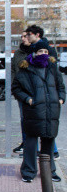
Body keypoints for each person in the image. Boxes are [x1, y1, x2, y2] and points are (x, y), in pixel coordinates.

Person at [12, 41, 65, 183]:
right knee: (30, 142)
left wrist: (61, 99)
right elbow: (16, 88)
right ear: (34, 53)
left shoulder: (53, 68)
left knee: (48, 140)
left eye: (46, 52)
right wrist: (28, 99)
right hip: (33, 110)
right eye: (40, 51)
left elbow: (61, 86)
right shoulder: (25, 68)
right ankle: (28, 171)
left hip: (51, 110)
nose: (43, 54)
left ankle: (50, 171)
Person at [25, 24, 60, 158]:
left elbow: (56, 79)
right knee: (38, 126)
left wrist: (59, 98)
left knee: (48, 127)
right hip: (36, 96)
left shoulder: (45, 49)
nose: (27, 37)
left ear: (37, 35)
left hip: (47, 96)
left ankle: (52, 153)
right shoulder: (31, 50)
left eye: (29, 35)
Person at [12, 31, 31, 154]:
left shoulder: (38, 51)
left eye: (25, 36)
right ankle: (25, 143)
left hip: (34, 90)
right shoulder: (18, 53)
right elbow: (13, 70)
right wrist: (15, 87)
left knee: (38, 119)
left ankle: (48, 149)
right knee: (23, 119)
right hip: (22, 91)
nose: (23, 38)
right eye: (22, 36)